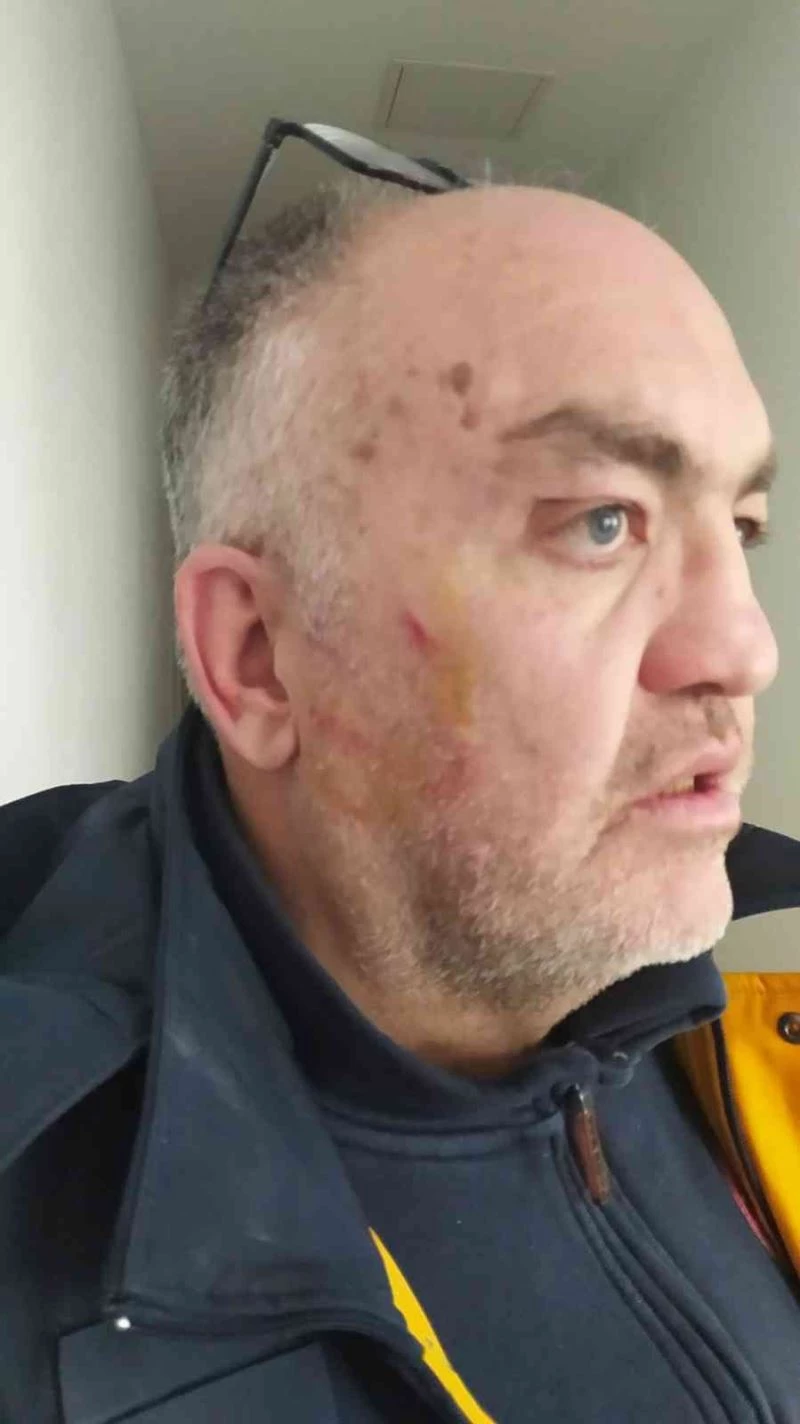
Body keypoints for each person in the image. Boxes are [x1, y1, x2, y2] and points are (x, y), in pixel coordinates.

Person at [2, 158, 800, 1424]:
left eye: (740, 525)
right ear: (258, 655)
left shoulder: (747, 1023)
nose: (744, 648)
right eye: (600, 520)